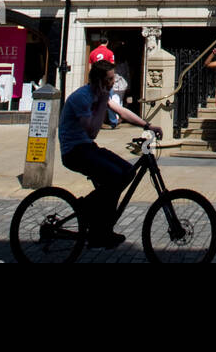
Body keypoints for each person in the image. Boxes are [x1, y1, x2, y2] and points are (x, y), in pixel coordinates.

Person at [58, 59, 161, 249]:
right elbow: (92, 131)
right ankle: (85, 211)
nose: (114, 81)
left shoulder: (101, 93)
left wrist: (147, 125)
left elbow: (122, 111)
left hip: (87, 147)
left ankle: (101, 229)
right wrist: (104, 101)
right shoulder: (83, 97)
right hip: (74, 151)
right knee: (114, 178)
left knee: (127, 171)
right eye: (110, 78)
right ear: (99, 80)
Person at [88, 35, 118, 126]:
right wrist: (112, 79)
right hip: (105, 80)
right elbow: (112, 67)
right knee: (108, 100)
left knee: (94, 100)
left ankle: (94, 120)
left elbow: (90, 67)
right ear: (107, 42)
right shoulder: (110, 53)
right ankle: (113, 121)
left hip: (96, 80)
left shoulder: (93, 52)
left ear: (99, 42)